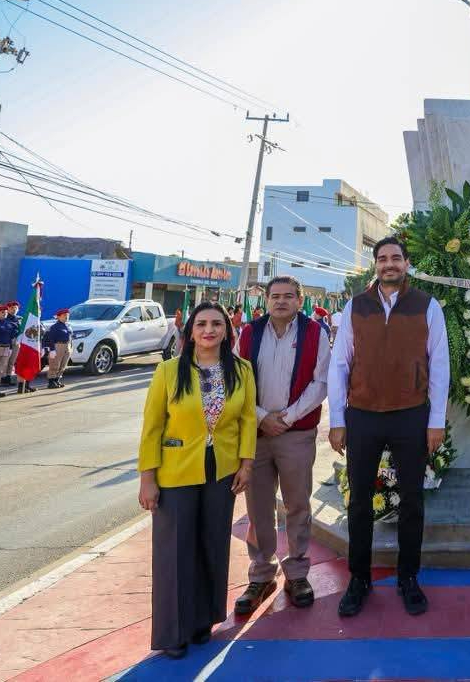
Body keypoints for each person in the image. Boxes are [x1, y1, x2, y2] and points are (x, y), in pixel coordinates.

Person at [327, 237, 449, 618]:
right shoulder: (355, 306)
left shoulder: (427, 306)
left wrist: (435, 421)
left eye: (396, 258)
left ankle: (408, 578)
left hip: (410, 414)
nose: (389, 264)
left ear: (406, 264)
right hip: (362, 414)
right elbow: (340, 364)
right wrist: (336, 419)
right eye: (382, 259)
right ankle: (358, 579)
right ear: (375, 265)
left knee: (412, 500)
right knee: (359, 501)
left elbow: (440, 364)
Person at [137, 302, 256, 660]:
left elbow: (248, 420)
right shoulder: (169, 372)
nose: (209, 330)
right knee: (175, 551)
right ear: (190, 331)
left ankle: (203, 620)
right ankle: (174, 631)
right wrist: (147, 479)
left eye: (217, 323)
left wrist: (246, 464)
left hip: (222, 471)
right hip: (175, 471)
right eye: (202, 323)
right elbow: (152, 427)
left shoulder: (242, 370)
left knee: (212, 545)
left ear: (227, 330)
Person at [233, 276, 330, 615]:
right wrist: (261, 417)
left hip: (296, 433)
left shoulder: (315, 333)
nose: (281, 302)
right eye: (275, 296)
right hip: (256, 435)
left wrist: (287, 417)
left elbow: (321, 382)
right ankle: (261, 575)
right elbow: (236, 380)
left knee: (297, 504)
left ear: (300, 301)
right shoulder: (249, 333)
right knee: (258, 508)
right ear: (267, 300)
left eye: (289, 296)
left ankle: (298, 573)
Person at [44, 309, 72, 389]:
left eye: (67, 315)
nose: (66, 317)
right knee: (55, 364)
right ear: (58, 317)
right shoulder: (54, 327)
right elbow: (50, 338)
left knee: (63, 364)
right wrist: (52, 349)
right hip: (58, 346)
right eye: (64, 316)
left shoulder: (68, 326)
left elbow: (70, 337)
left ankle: (57, 380)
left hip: (67, 346)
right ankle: (51, 381)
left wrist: (71, 347)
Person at [3, 301, 24, 389]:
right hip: (8, 341)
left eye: (16, 308)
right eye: (12, 308)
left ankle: (8, 377)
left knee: (12, 361)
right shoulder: (4, 318)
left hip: (17, 341)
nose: (14, 309)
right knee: (5, 361)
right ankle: (2, 378)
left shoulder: (19, 318)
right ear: (7, 309)